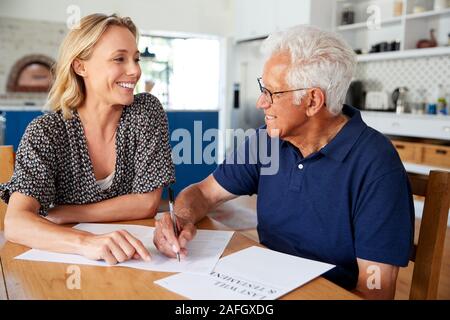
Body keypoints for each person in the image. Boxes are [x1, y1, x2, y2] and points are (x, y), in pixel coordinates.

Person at [153, 25, 414, 299]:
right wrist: (180, 219)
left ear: (313, 100)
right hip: (260, 285)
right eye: (261, 88)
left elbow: (376, 291)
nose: (260, 103)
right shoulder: (265, 141)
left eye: (272, 93)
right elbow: (204, 192)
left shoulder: (377, 166)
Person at [0, 14, 175, 265]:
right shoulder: (47, 131)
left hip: (134, 261)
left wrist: (63, 213)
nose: (135, 70)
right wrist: (85, 242)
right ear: (81, 66)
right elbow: (16, 223)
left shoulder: (144, 111)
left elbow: (147, 202)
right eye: (119, 59)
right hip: (68, 267)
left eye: (136, 59)